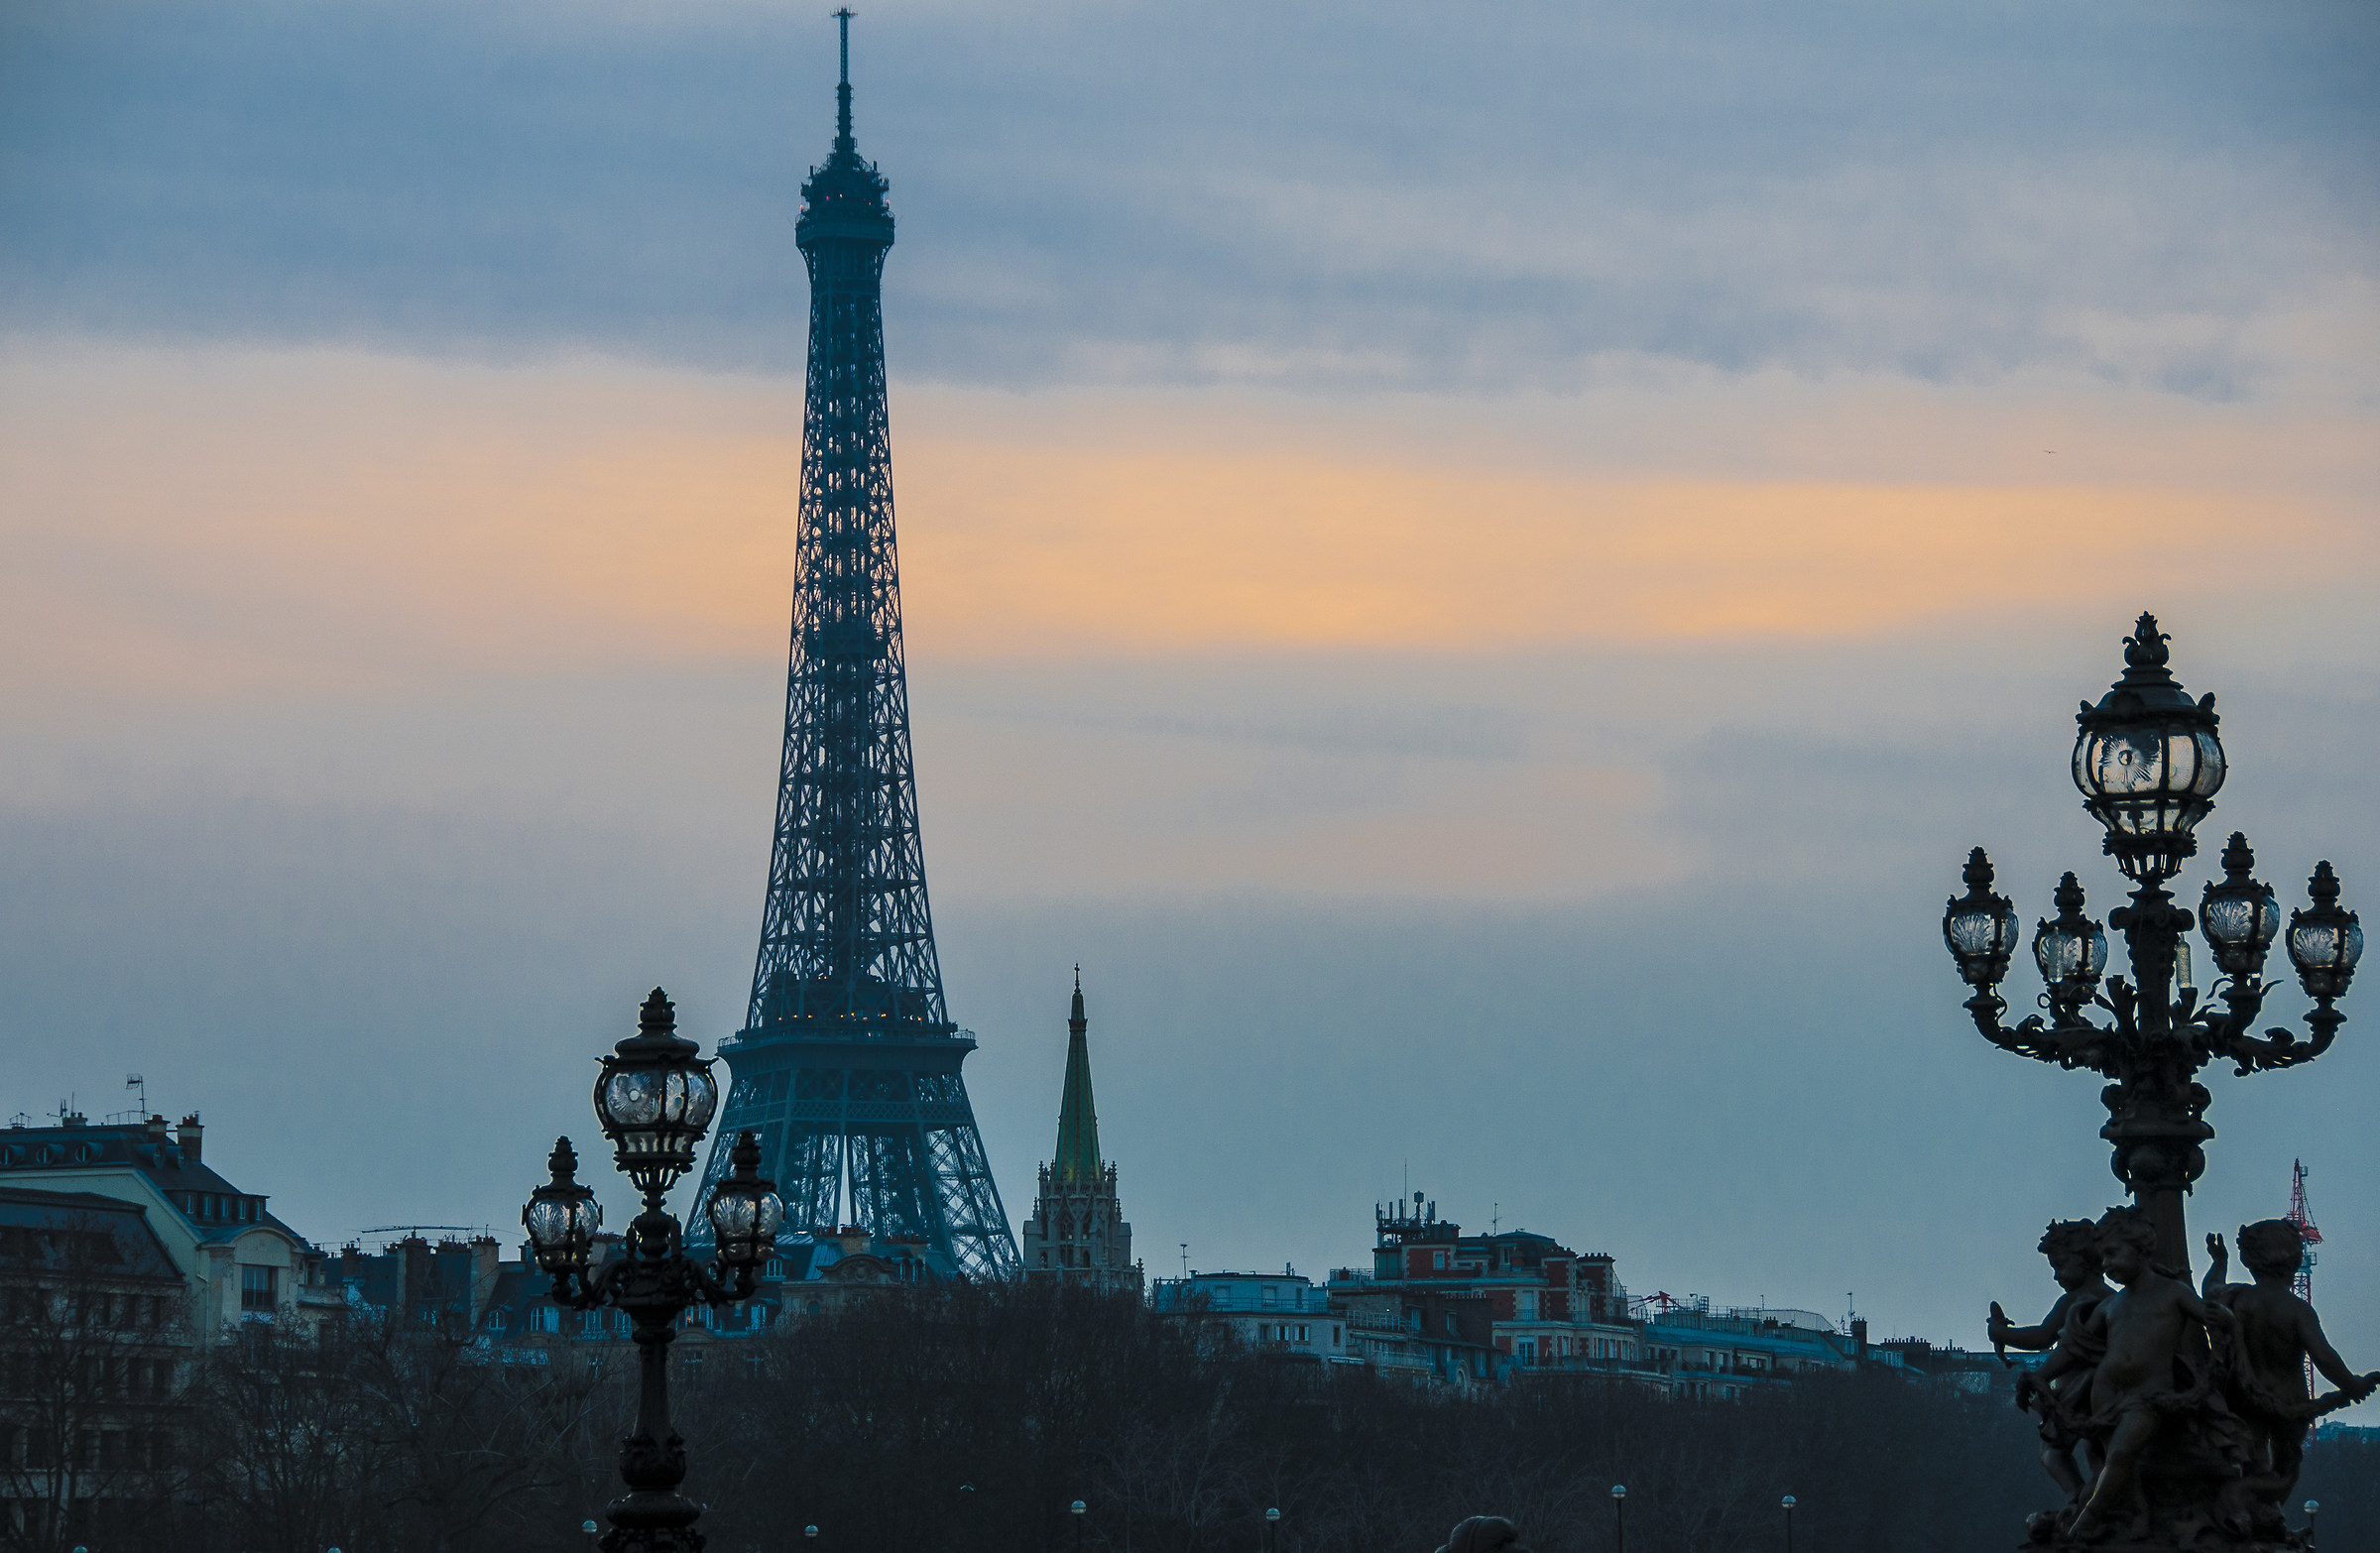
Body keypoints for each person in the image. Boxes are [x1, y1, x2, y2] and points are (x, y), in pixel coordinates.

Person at [2062, 1206, 2231, 1542]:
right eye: (2102, 1257)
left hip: (2149, 1395)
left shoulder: (2173, 1293)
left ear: (2141, 1246)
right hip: (2105, 1391)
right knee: (2119, 1461)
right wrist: (2040, 1376)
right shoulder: (2111, 1305)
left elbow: (2212, 1318)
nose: (2106, 1265)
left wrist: (2223, 1316)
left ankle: (2089, 1517)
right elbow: (2074, 1348)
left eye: (2112, 1254)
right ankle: (2138, 1512)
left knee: (2122, 1453)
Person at [2202, 1220, 2378, 1511]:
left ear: (2248, 1260)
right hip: (2290, 1401)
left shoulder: (2240, 1298)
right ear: (2296, 1260)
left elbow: (2211, 1289)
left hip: (2243, 1398)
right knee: (2286, 1470)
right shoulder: (2297, 1310)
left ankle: (2246, 1508)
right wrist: (2352, 1385)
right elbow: (2324, 1357)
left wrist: (2220, 1262)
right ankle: (2263, 1515)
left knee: (2254, 1458)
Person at [1993, 1219, 2113, 1499]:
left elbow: (2041, 1337)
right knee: (2098, 1454)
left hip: (2079, 1392)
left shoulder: (2076, 1299)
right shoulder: (2110, 1296)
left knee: (2052, 1451)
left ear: (2083, 1260)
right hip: (2099, 1388)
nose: (2056, 1276)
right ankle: (2097, 1499)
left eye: (2059, 1266)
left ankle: (2077, 1498)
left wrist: (1999, 1332)